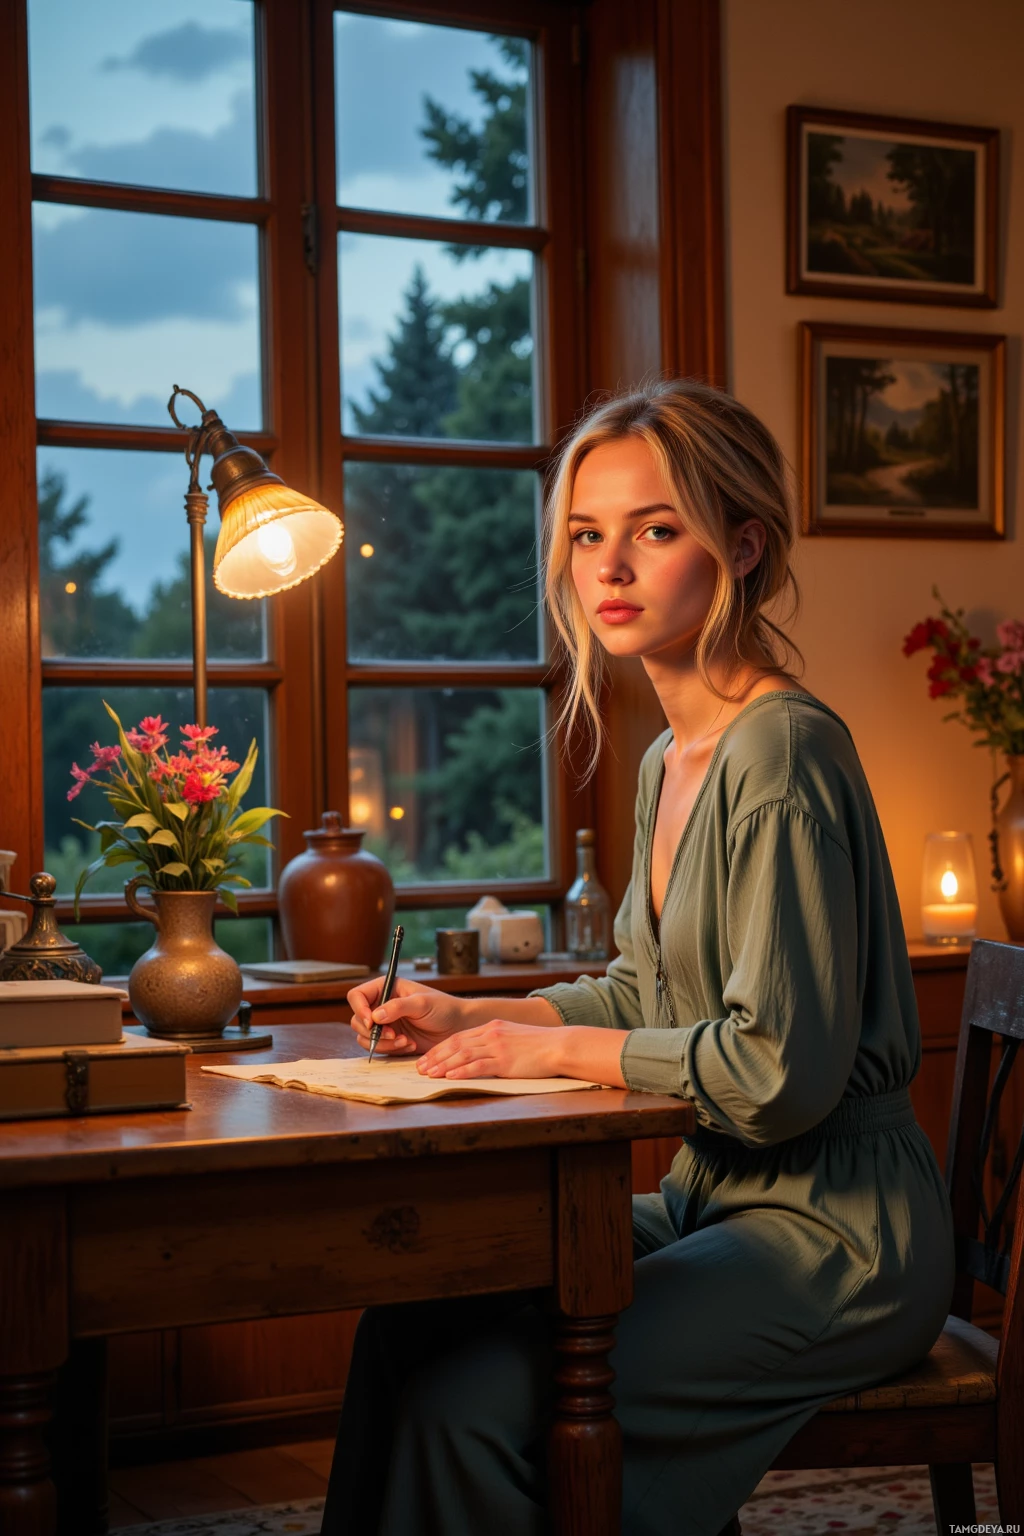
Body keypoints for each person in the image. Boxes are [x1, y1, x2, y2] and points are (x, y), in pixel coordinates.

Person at [320, 380, 954, 1536]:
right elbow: (640, 990)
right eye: (584, 535)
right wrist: (468, 1019)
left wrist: (547, 1047)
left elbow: (775, 1073)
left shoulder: (783, 756)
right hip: (710, 1199)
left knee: (466, 1406)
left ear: (741, 546)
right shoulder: (671, 757)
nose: (608, 567)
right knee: (405, 1330)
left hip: (838, 1238)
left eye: (655, 530)